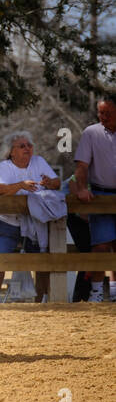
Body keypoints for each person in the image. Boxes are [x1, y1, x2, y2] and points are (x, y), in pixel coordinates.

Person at [0, 131, 60, 302]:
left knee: (42, 258)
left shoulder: (39, 161)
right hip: (5, 219)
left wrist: (50, 183)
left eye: (29, 145)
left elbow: (57, 182)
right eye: (22, 146)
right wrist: (21, 185)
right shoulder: (3, 167)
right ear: (12, 151)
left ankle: (42, 298)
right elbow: (0, 189)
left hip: (35, 221)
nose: (27, 148)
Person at [74, 92, 116, 302]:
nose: (103, 116)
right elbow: (81, 165)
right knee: (100, 245)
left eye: (108, 113)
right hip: (100, 193)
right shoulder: (91, 133)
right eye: (100, 112)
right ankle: (97, 292)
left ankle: (115, 291)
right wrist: (82, 187)